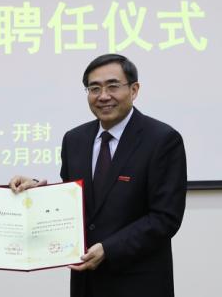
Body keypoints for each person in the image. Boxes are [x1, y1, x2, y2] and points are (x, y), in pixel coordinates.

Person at [10, 54, 187, 297]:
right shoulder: (74, 140)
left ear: (134, 90)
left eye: (113, 86)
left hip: (138, 283)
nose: (103, 96)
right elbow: (72, 204)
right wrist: (37, 194)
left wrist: (109, 249)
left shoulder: (162, 140)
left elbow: (165, 218)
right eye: (94, 88)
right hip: (86, 284)